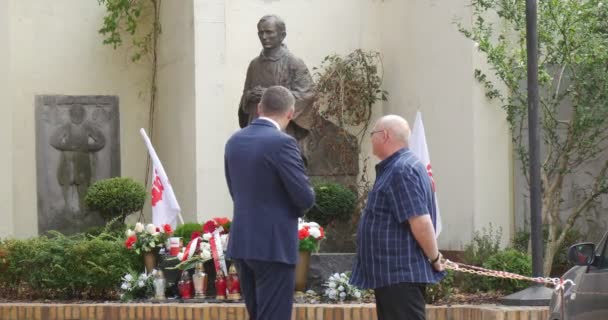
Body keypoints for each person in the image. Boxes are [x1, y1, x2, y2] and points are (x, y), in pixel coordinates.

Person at [225, 85, 315, 319]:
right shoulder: (283, 143)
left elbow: (235, 191)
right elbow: (304, 197)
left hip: (243, 243)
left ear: (259, 107)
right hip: (273, 245)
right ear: (291, 113)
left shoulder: (234, 141)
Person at [350, 115, 445, 320]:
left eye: (373, 134)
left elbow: (420, 221)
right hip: (392, 275)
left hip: (400, 275)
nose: (371, 138)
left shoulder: (401, 170)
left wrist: (435, 258)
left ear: (384, 135)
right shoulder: (397, 167)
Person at [238, 14, 315, 143]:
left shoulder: (293, 62)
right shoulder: (254, 64)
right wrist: (249, 96)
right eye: (261, 33)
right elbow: (245, 94)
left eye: (269, 32)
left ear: (282, 35)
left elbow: (307, 94)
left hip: (281, 129)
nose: (264, 37)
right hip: (255, 126)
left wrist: (270, 95)